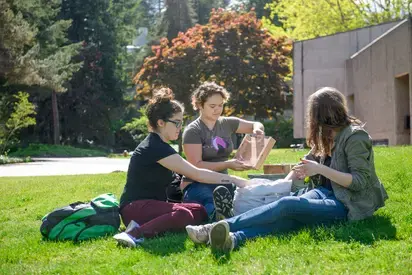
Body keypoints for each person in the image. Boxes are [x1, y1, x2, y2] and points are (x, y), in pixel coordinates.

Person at [186, 87, 388, 253]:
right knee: (290, 214)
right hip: (325, 193)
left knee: (288, 205)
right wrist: (283, 183)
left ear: (322, 114)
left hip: (349, 203)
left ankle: (212, 229)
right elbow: (308, 160)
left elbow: (359, 181)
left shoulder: (355, 137)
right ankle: (232, 239)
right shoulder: (326, 134)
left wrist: (319, 169)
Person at [113, 88, 248, 248]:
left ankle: (212, 221)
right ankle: (135, 233)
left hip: (152, 206)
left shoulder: (162, 145)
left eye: (181, 122)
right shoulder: (155, 146)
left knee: (199, 210)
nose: (180, 127)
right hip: (134, 209)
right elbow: (197, 173)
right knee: (183, 213)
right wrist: (233, 179)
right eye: (176, 122)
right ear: (161, 123)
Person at [182, 82, 265, 221]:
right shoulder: (193, 130)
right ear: (200, 105)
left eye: (220, 105)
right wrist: (228, 164)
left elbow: (255, 124)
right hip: (197, 183)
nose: (217, 110)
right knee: (210, 200)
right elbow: (197, 166)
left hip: (223, 181)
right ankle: (219, 218)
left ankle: (232, 216)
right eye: (212, 106)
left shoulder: (227, 123)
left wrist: (258, 129)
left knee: (250, 195)